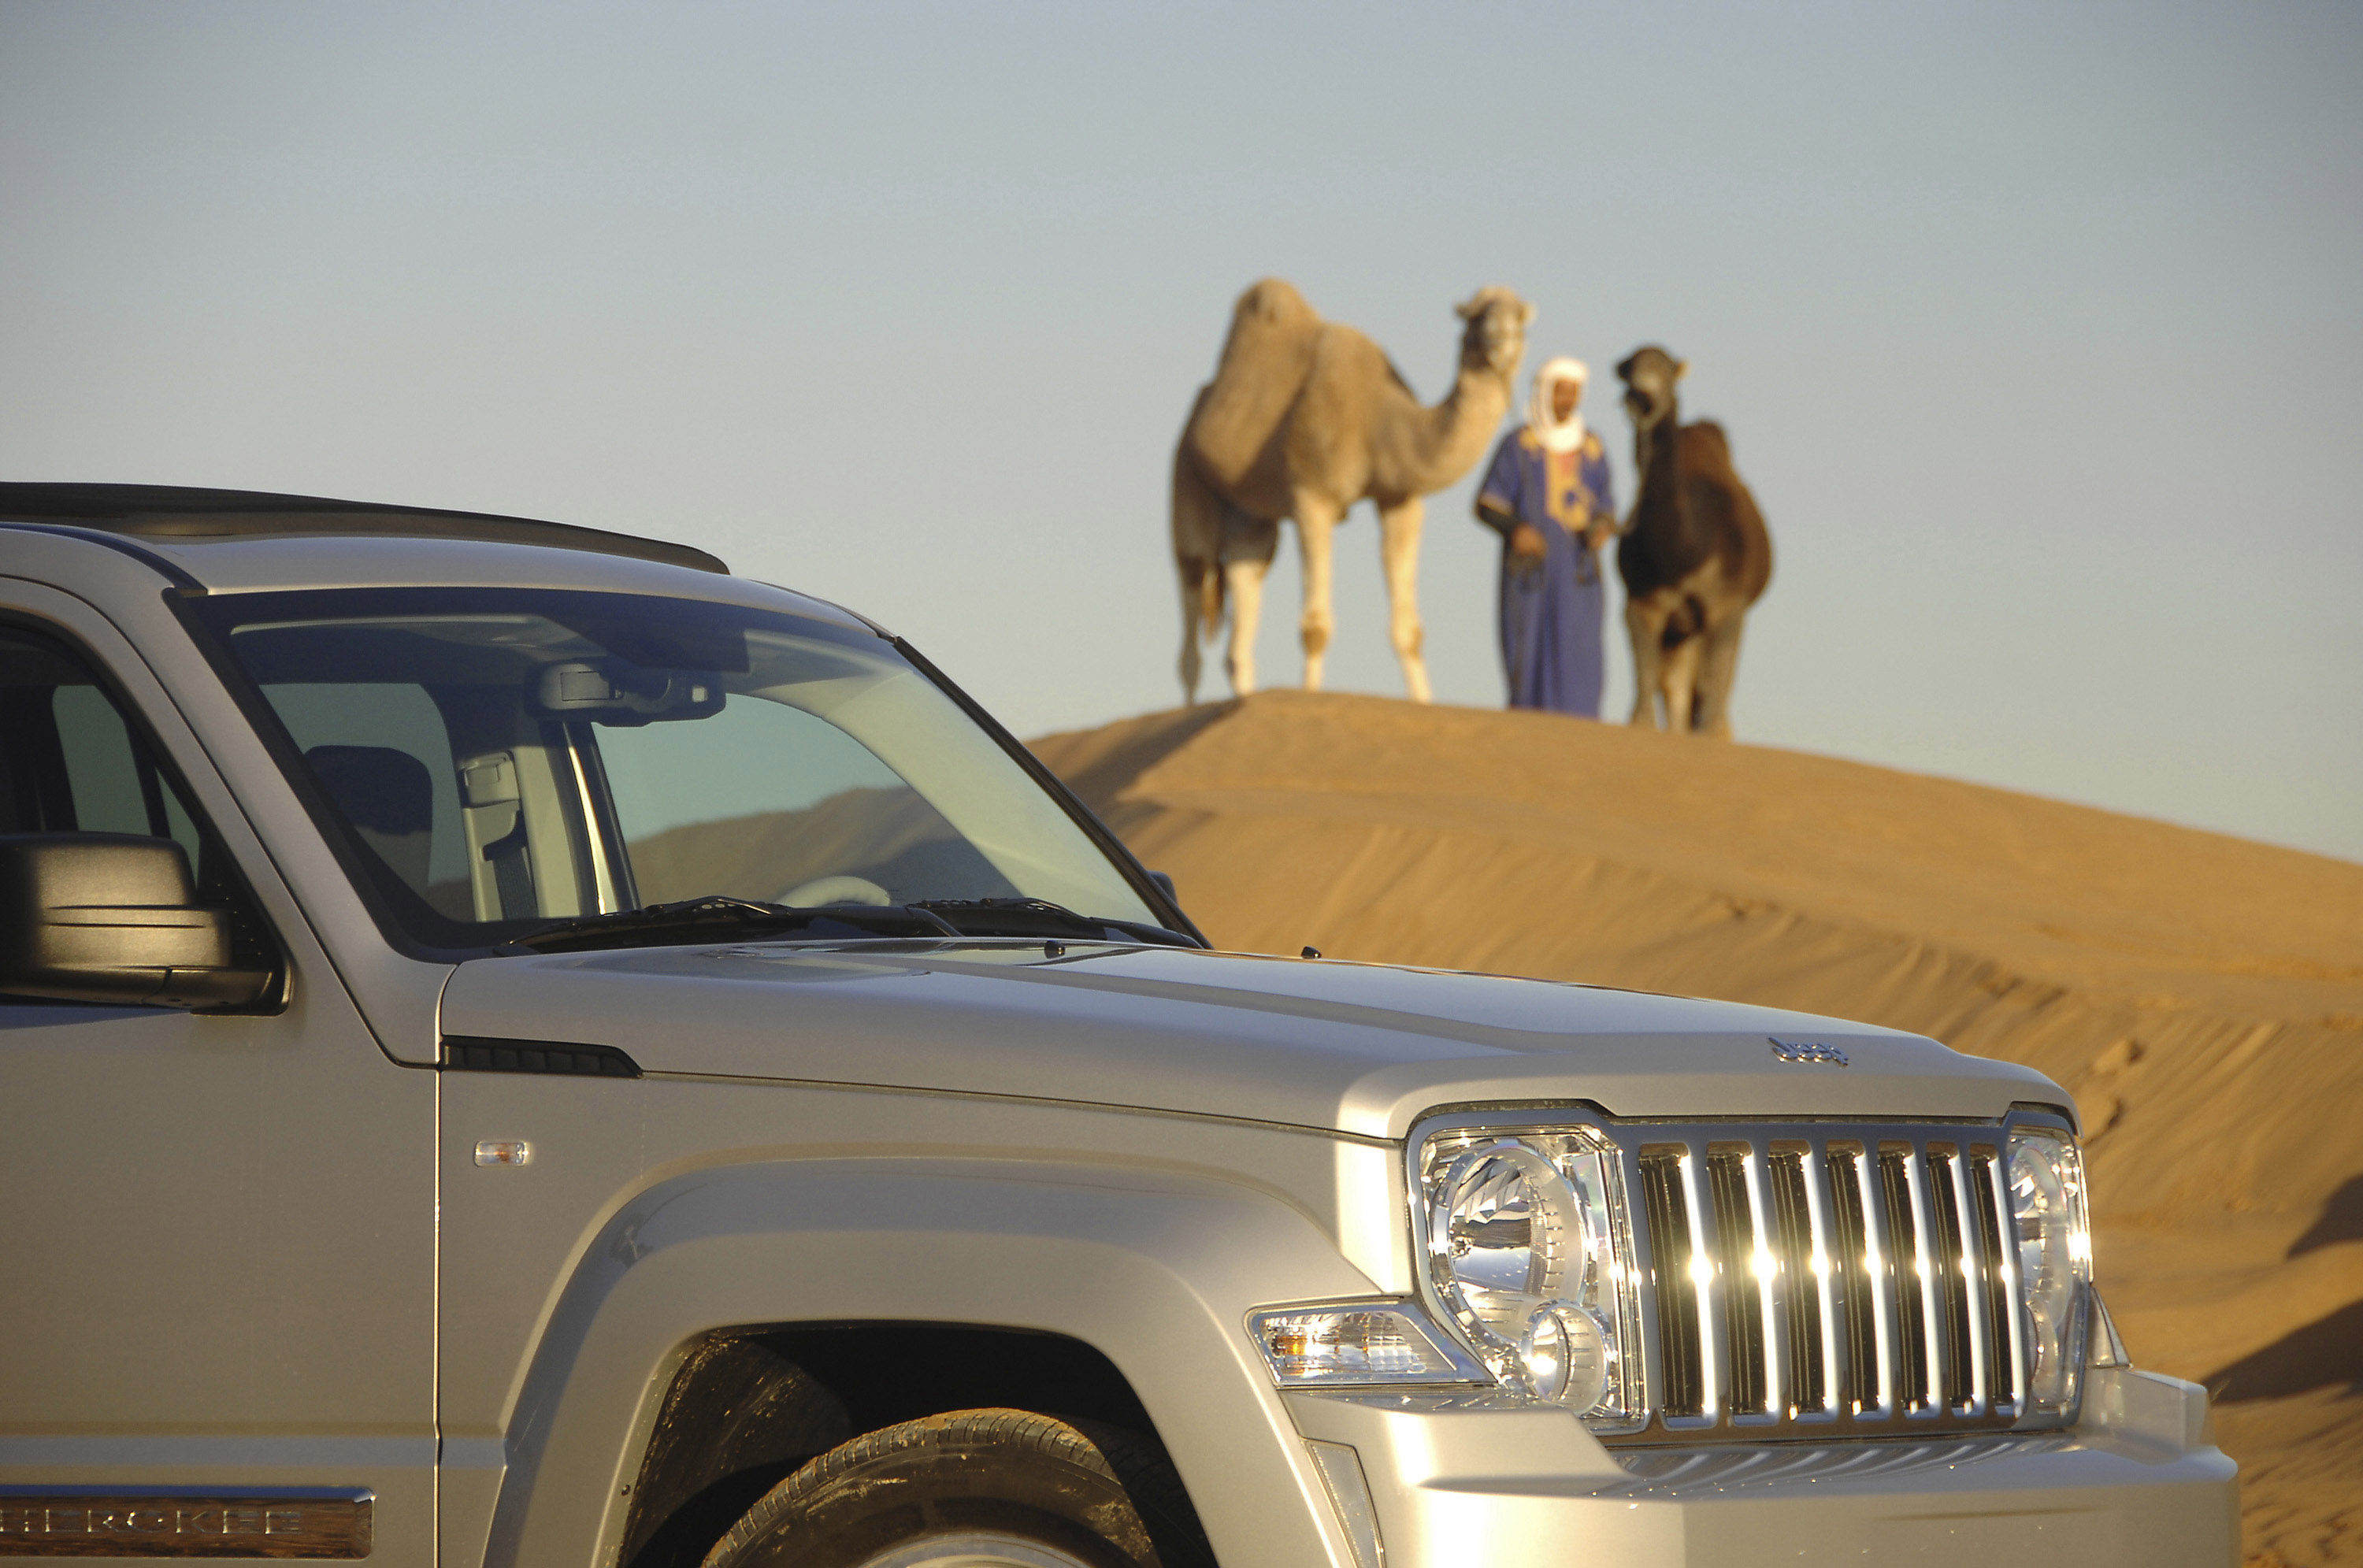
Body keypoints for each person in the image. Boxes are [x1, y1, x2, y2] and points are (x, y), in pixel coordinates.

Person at [1474, 356, 1618, 715]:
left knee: (1579, 653)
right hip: (1530, 574)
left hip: (1578, 574)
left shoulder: (1592, 449)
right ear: (1545, 393)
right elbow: (1488, 504)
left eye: (1573, 393)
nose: (1567, 400)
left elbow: (1606, 502)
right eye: (1560, 392)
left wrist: (1602, 527)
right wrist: (1516, 529)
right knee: (1528, 655)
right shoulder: (1518, 447)